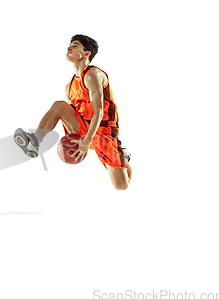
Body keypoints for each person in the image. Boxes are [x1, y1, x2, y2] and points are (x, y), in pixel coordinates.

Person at [14, 34, 132, 190]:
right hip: (84, 128)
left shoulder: (93, 75)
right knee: (60, 106)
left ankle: (123, 156)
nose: (69, 47)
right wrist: (73, 142)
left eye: (75, 45)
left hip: (104, 131)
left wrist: (87, 141)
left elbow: (99, 111)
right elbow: (72, 114)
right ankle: (35, 141)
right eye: (70, 45)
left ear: (86, 53)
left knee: (121, 185)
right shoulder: (69, 87)